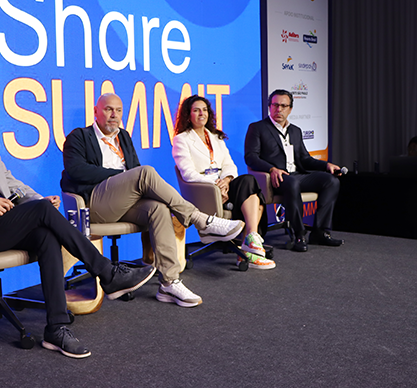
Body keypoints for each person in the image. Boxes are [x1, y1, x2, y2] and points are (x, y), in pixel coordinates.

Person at [0, 94, 156, 359]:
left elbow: (14, 185)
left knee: (46, 236)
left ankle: (56, 328)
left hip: (7, 225)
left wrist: (40, 199)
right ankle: (106, 272)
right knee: (41, 212)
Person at [61, 93, 245, 308]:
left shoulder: (123, 136)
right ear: (95, 111)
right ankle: (200, 219)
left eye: (118, 110)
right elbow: (76, 170)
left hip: (123, 202)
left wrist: (129, 180)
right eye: (108, 109)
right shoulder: (79, 136)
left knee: (158, 208)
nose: (114, 115)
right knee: (145, 173)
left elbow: (134, 171)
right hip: (95, 203)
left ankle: (169, 282)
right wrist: (120, 176)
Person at [172, 95, 275, 270]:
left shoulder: (216, 137)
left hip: (223, 186)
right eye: (196, 110)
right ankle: (250, 247)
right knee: (253, 195)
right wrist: (215, 185)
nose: (201, 114)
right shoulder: (181, 139)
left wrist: (226, 181)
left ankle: (250, 240)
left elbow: (229, 165)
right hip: (204, 190)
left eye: (204, 110)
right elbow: (188, 174)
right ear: (188, 115)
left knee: (248, 182)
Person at [244, 89, 344, 252]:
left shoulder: (295, 130)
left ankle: (320, 232)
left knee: (331, 181)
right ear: (269, 107)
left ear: (290, 109)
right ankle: (299, 234)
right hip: (275, 178)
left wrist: (326, 166)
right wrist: (271, 169)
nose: (279, 109)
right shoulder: (257, 128)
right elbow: (251, 157)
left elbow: (305, 159)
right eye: (275, 105)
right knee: (292, 183)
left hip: (297, 175)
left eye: (284, 106)